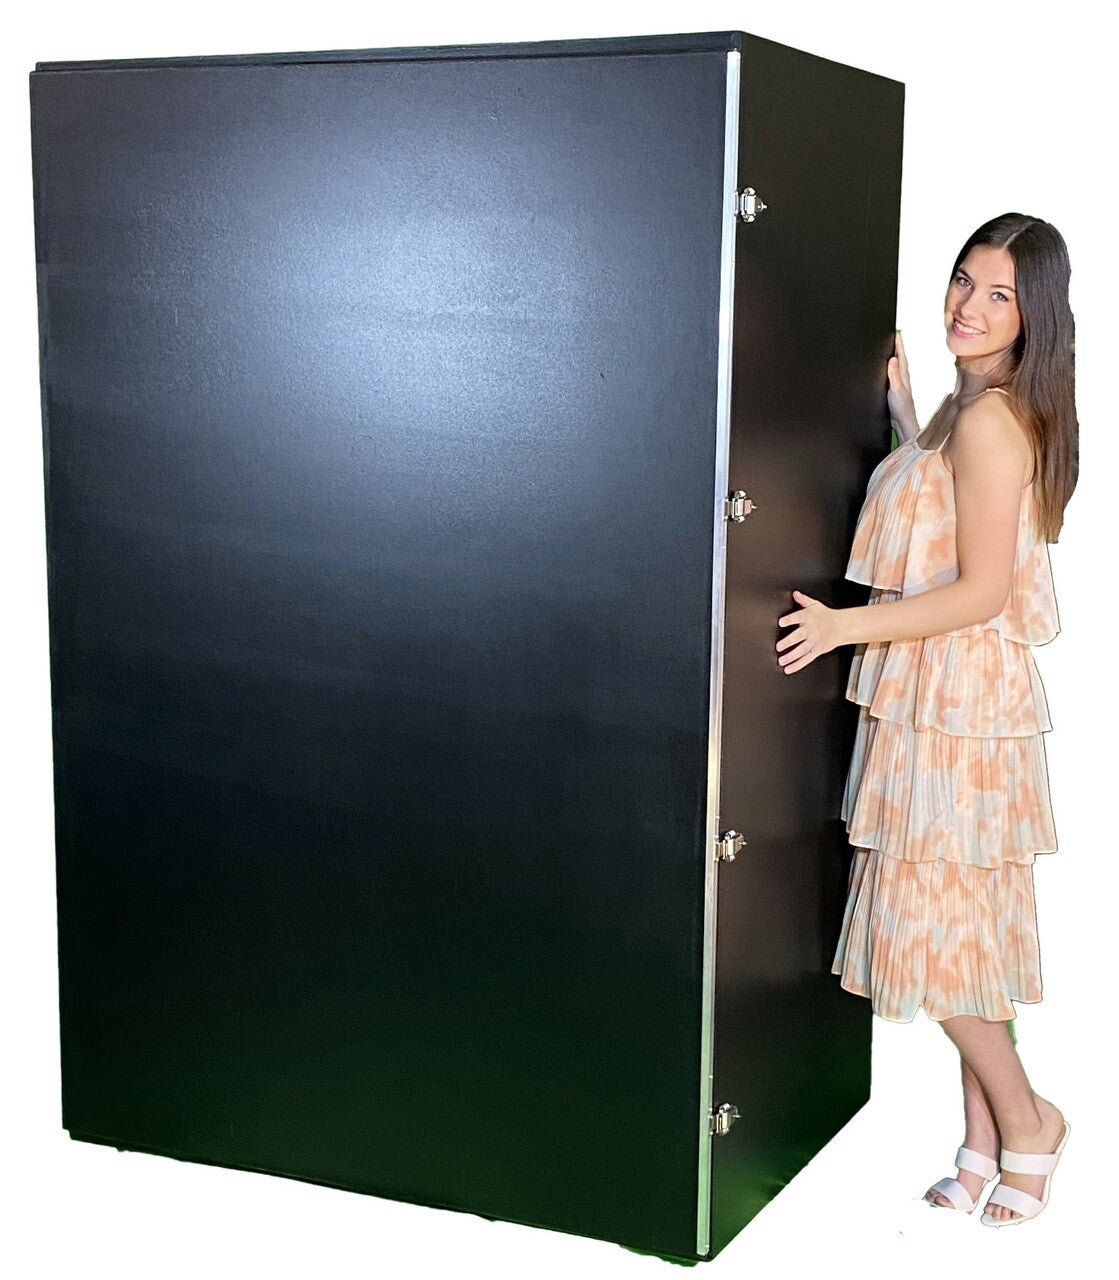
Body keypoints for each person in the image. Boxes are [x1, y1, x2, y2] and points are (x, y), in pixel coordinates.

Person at [775, 213, 1078, 1227]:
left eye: (999, 295)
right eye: (963, 280)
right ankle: (983, 1143)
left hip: (955, 705)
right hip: (940, 697)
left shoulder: (992, 421)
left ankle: (1031, 1120)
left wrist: (841, 626)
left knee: (937, 933)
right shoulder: (968, 406)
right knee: (963, 931)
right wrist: (909, 418)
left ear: (1034, 316)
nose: (968, 305)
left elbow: (983, 588)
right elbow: (943, 517)